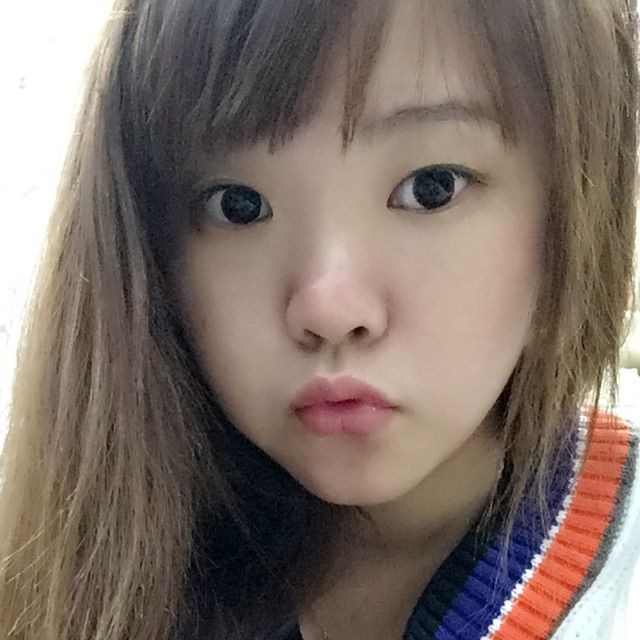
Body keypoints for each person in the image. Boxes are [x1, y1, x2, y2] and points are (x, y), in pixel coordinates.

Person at [0, 1, 638, 638]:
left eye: (432, 188)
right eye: (239, 206)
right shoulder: (66, 575)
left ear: (570, 201)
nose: (329, 311)